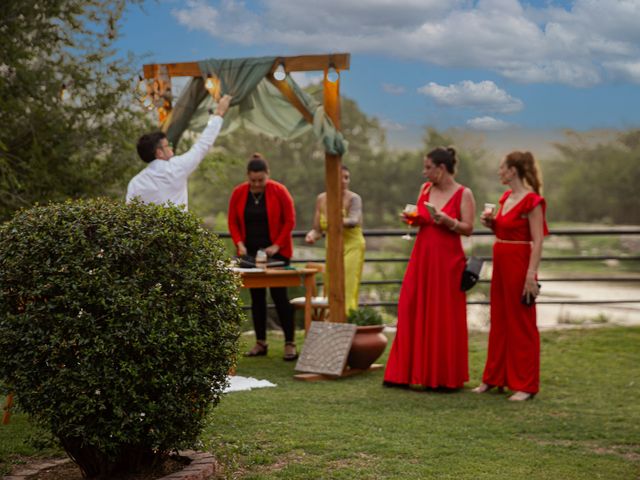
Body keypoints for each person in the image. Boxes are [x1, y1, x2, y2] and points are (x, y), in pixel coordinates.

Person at [384, 147, 476, 390]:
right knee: (410, 306)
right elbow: (423, 218)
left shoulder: (464, 193)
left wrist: (448, 221)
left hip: (448, 260)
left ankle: (442, 378)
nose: (424, 173)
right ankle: (402, 373)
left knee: (442, 314)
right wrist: (412, 219)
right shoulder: (426, 190)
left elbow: (468, 228)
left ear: (441, 168)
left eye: (428, 168)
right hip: (422, 257)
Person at [473, 151, 548, 401]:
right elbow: (506, 230)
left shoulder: (532, 201)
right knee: (500, 319)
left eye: (502, 168)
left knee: (521, 323)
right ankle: (493, 378)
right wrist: (492, 224)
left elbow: (537, 241)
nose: (499, 172)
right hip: (501, 262)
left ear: (513, 170)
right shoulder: (505, 197)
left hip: (519, 263)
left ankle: (526, 385)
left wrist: (530, 275)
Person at [227, 154, 298, 360]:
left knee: (279, 297)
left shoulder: (280, 191)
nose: (257, 184)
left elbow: (290, 220)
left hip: (277, 253)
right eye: (253, 181)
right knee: (256, 298)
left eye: (261, 180)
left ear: (268, 175)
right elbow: (232, 221)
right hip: (249, 253)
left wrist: (276, 245)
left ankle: (290, 343)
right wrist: (239, 243)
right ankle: (260, 342)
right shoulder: (239, 193)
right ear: (248, 177)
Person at [126, 94, 232, 210]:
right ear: (159, 153)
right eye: (167, 146)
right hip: (178, 228)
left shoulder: (135, 183)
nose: (171, 147)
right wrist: (218, 114)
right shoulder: (176, 168)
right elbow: (202, 145)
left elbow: (130, 212)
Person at [305, 165, 366, 314]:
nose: (345, 181)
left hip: (352, 245)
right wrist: (312, 235)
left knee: (347, 285)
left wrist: (334, 220)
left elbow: (353, 221)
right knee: (331, 285)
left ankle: (347, 321)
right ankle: (332, 320)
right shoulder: (321, 199)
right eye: (341, 177)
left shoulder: (354, 198)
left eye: (347, 177)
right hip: (332, 247)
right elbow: (318, 229)